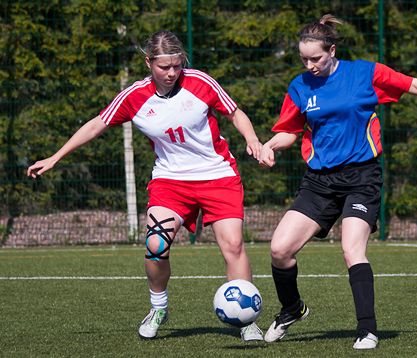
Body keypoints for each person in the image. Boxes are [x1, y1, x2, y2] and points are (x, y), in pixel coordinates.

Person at [27, 30, 265, 342]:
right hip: (170, 181)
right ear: (148, 62)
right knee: (156, 245)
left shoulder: (200, 82)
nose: (171, 73)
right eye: (164, 66)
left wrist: (253, 140)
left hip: (217, 175)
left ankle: (246, 320)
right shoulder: (134, 96)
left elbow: (234, 113)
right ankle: (159, 308)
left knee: (233, 246)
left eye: (177, 66)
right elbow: (97, 124)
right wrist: (56, 156)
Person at [259, 15, 417, 350]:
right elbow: (290, 130)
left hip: (361, 177)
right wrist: (268, 146)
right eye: (304, 59)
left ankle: (367, 330)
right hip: (319, 182)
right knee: (279, 249)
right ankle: (291, 309)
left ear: (332, 50)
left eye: (316, 58)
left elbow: (410, 83)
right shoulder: (300, 86)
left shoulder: (364, 74)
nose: (310, 65)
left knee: (351, 248)